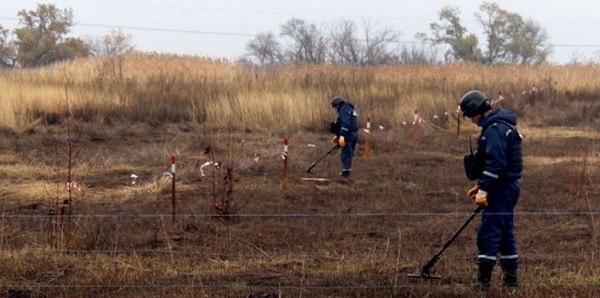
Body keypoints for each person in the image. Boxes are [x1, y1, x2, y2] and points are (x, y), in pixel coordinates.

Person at [460, 90, 523, 287]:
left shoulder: (495, 129)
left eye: (471, 116)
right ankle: (511, 281)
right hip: (505, 186)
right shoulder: (499, 126)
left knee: (489, 231)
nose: (471, 121)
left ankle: (483, 281)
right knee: (504, 231)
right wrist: (481, 185)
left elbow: (496, 164)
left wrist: (484, 189)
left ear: (477, 110)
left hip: (501, 189)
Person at [330, 96, 358, 177]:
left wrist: (342, 136)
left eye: (335, 107)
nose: (335, 109)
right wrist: (338, 136)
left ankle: (345, 173)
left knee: (346, 153)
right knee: (349, 153)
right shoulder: (350, 109)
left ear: (338, 105)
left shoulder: (344, 110)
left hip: (348, 135)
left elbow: (345, 124)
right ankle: (347, 170)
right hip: (353, 133)